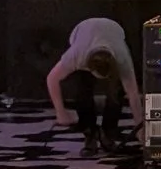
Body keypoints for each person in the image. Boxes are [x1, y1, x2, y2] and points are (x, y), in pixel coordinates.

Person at [44, 16, 141, 154]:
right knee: (83, 91)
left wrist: (139, 128)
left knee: (116, 93)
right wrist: (61, 112)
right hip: (82, 31)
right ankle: (90, 135)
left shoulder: (122, 57)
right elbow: (52, 79)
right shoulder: (76, 56)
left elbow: (133, 93)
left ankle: (108, 134)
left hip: (113, 31)